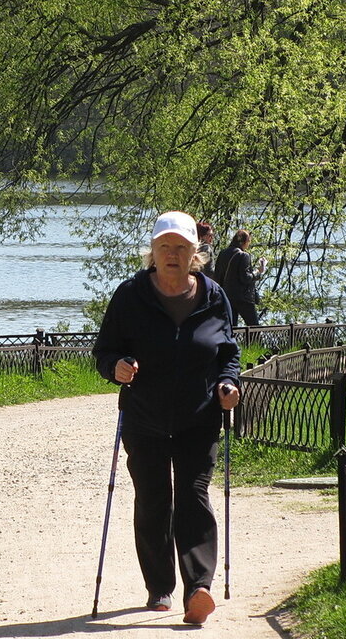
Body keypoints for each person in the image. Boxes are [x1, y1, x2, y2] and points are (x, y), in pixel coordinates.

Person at [92, 210, 240, 626]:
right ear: (152, 253)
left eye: (181, 247)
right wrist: (116, 367)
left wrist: (228, 385)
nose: (172, 254)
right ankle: (160, 587)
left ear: (196, 253)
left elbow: (228, 352)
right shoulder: (130, 295)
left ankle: (199, 588)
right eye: (164, 247)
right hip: (145, 417)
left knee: (194, 495)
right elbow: (104, 351)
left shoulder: (214, 296)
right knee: (154, 498)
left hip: (199, 417)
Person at [214, 228, 265, 326]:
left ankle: (232, 342)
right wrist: (258, 272)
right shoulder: (243, 255)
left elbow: (217, 275)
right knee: (254, 328)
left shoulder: (222, 253)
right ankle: (254, 342)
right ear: (244, 242)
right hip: (243, 298)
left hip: (227, 296)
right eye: (249, 241)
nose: (249, 244)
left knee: (232, 328)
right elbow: (245, 278)